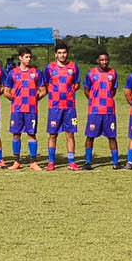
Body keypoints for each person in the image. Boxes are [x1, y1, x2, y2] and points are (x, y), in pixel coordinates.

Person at [3, 47, 45, 170]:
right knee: (16, 134)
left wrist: (34, 100)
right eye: (26, 57)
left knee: (32, 134)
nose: (29, 59)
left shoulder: (36, 72)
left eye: (30, 57)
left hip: (31, 109)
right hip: (17, 109)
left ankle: (33, 162)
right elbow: (6, 91)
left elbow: (43, 90)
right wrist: (15, 100)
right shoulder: (13, 73)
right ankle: (16, 161)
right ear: (20, 58)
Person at [44, 42, 81, 171]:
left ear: (67, 53)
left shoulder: (73, 67)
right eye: (59, 53)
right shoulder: (49, 68)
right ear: (55, 54)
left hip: (70, 107)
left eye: (64, 52)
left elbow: (77, 84)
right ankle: (51, 162)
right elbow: (46, 84)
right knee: (53, 134)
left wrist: (68, 94)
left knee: (70, 134)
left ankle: (71, 161)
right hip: (54, 107)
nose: (62, 55)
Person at [82, 52, 120, 170]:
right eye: (102, 60)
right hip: (95, 110)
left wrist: (106, 99)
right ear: (98, 61)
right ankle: (88, 162)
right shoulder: (91, 73)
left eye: (106, 60)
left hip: (109, 111)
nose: (104, 62)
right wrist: (94, 100)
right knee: (90, 136)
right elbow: (86, 89)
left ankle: (115, 162)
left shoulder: (113, 73)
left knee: (112, 137)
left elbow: (113, 90)